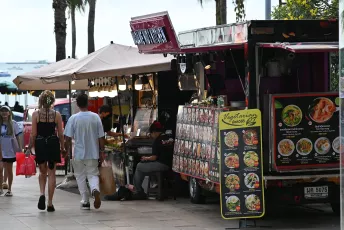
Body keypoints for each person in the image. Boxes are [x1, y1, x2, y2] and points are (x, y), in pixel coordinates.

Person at [64, 93, 105, 210]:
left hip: (78, 153)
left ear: (77, 104)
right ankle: (95, 189)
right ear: (88, 103)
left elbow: (67, 137)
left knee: (80, 176)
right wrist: (102, 151)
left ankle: (85, 201)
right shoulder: (96, 117)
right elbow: (101, 137)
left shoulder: (73, 118)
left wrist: (66, 151)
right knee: (92, 174)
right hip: (93, 152)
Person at [27, 90, 65, 212]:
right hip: (53, 143)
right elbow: (60, 133)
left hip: (40, 143)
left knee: (42, 172)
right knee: (52, 173)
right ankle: (50, 203)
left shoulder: (36, 114)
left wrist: (29, 147)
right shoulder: (56, 114)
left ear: (41, 101)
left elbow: (33, 134)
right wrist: (63, 147)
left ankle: (42, 193)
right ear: (51, 101)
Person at [132, 121, 174, 199]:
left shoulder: (157, 140)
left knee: (139, 166)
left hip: (162, 164)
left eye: (151, 134)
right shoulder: (170, 138)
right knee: (142, 168)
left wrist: (146, 158)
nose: (151, 136)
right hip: (172, 164)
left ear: (154, 132)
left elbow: (154, 157)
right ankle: (144, 188)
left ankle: (138, 191)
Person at [0, 106, 22, 196]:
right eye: (2, 111)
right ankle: (1, 189)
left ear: (9, 113)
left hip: (10, 150)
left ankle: (9, 189)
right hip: (1, 150)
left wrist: (20, 148)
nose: (4, 113)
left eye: (6, 111)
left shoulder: (14, 123)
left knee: (9, 170)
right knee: (0, 169)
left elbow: (17, 136)